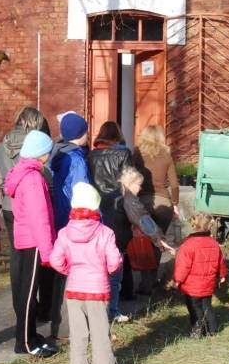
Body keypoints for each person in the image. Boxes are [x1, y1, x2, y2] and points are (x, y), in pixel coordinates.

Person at [49, 182, 123, 364]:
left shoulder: (64, 233)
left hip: (74, 290)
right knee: (100, 334)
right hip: (98, 291)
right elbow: (115, 260)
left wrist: (69, 271)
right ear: (96, 207)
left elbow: (55, 260)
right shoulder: (105, 232)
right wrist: (106, 271)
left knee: (78, 334)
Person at [3, 130, 58, 357]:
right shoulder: (34, 179)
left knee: (26, 290)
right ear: (41, 154)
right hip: (34, 241)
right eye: (48, 150)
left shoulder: (24, 172)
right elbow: (40, 218)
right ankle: (24, 342)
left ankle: (31, 335)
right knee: (28, 293)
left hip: (26, 239)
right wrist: (48, 251)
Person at [40, 111, 93, 342]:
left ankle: (55, 322)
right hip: (76, 219)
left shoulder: (55, 153)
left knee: (59, 273)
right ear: (80, 134)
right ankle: (68, 327)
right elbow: (83, 191)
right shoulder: (78, 159)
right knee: (76, 273)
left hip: (59, 218)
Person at [86, 121, 133, 322]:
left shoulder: (90, 155)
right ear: (118, 136)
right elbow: (129, 182)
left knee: (97, 262)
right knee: (116, 262)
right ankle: (112, 309)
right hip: (117, 209)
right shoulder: (124, 154)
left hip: (96, 209)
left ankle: (97, 308)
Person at [0, 107, 51, 244]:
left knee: (16, 252)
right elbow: (47, 176)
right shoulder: (37, 146)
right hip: (31, 205)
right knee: (32, 252)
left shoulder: (0, 147)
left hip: (8, 205)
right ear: (36, 122)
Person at [119, 166, 175, 294]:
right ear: (129, 184)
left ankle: (125, 294)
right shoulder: (130, 200)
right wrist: (159, 238)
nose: (140, 188)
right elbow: (143, 219)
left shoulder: (117, 193)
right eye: (138, 184)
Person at [174, 212, 228, 338]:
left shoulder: (188, 245)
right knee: (207, 306)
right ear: (209, 226)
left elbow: (182, 266)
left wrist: (177, 280)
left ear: (194, 225)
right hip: (208, 284)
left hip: (192, 286)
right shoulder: (214, 243)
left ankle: (197, 330)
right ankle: (212, 330)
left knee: (195, 308)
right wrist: (222, 274)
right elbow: (220, 260)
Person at [133, 125, 181, 238]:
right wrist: (174, 204)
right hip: (163, 204)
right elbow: (174, 186)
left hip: (141, 202)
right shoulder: (167, 156)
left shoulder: (136, 155)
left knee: (143, 240)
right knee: (160, 241)